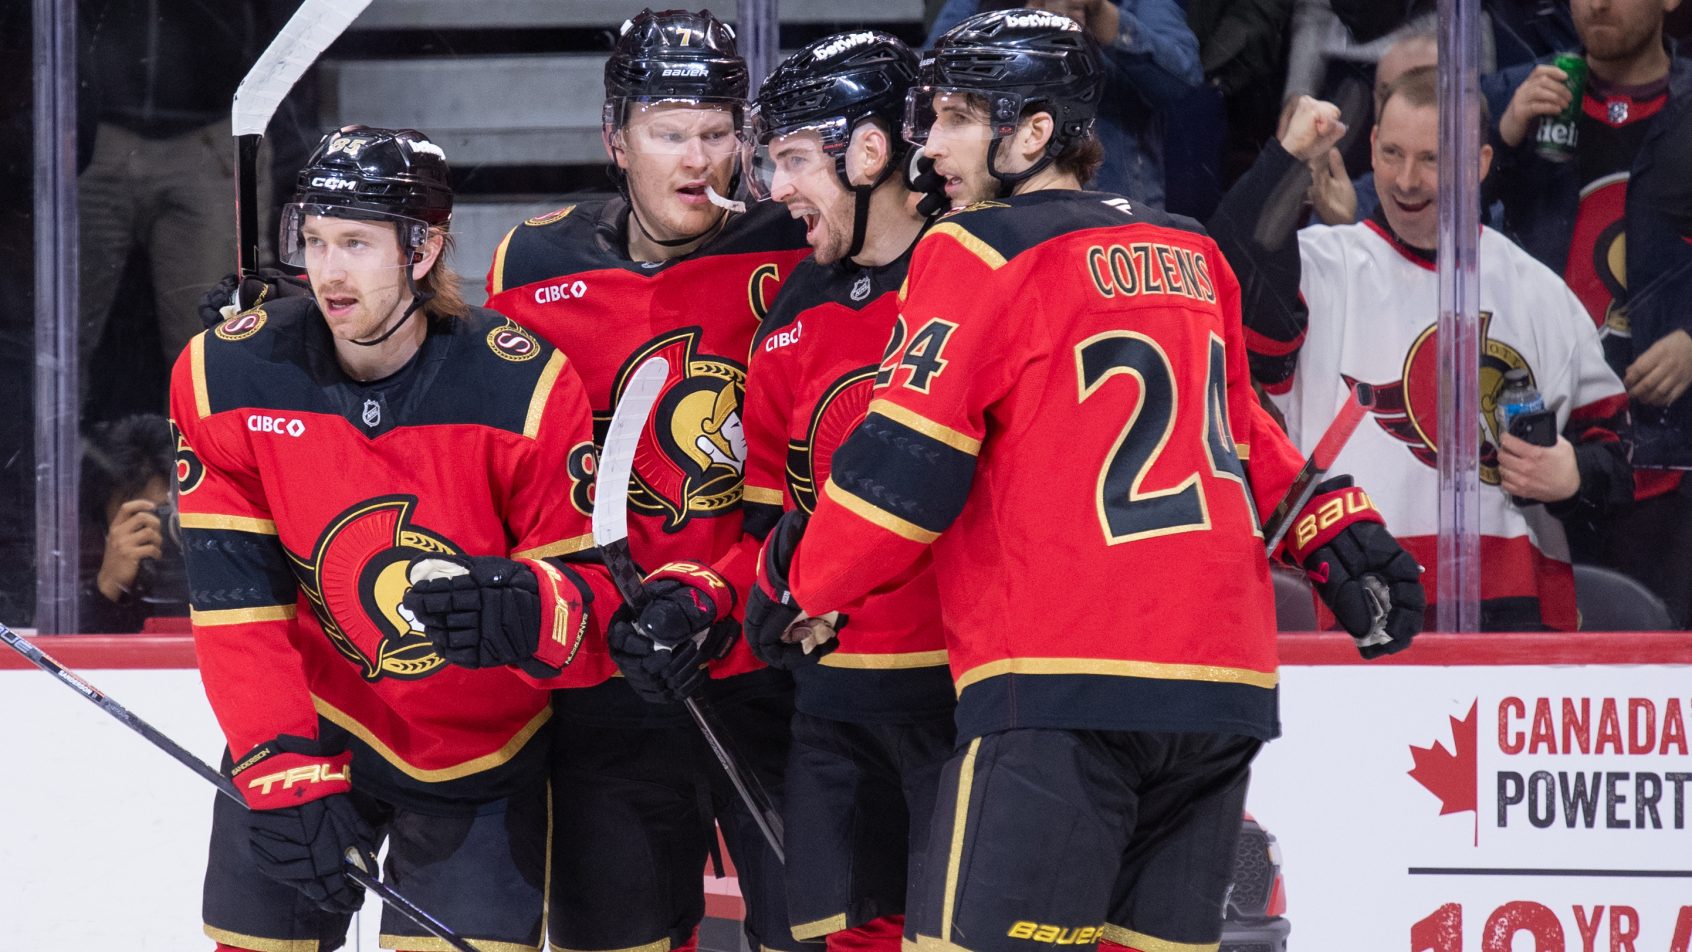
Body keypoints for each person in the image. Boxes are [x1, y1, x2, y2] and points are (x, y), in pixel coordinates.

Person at [742, 11, 1424, 951]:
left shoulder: (974, 249)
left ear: (1032, 133)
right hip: (1220, 690)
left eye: (955, 119)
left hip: (1063, 682)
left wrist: (798, 583)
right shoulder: (1188, 247)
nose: (929, 146)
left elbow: (908, 469)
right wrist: (1339, 528)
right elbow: (1243, 435)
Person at [169, 126, 613, 952]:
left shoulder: (521, 385)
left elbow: (590, 606)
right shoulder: (227, 377)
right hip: (311, 722)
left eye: (356, 244)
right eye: (314, 241)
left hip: (477, 748)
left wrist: (528, 610)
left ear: (424, 249)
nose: (327, 272)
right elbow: (237, 606)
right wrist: (277, 766)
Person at [478, 11, 814, 952]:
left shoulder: (797, 245)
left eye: (717, 132)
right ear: (615, 139)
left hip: (769, 663)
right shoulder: (532, 263)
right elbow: (476, 429)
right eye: (669, 133)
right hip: (608, 673)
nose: (697, 160)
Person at [1211, 74, 1633, 631]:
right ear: (1371, 146)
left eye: (1431, 159)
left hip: (1511, 613)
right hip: (1357, 610)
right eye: (1392, 153)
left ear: (1479, 163)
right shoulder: (1320, 268)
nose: (1406, 180)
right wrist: (1286, 157)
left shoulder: (1540, 293)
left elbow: (1619, 462)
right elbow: (1225, 273)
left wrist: (1574, 474)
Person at [738, 32, 952, 949]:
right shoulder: (794, 308)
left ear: (868, 152)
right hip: (834, 711)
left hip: (966, 700)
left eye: (794, 158)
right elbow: (770, 514)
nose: (776, 187)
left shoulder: (976, 276)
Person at [1483, 0, 1692, 625]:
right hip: (1538, 441)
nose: (1596, 3)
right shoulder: (1517, 93)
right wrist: (1501, 137)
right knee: (1536, 661)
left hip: (1668, 458)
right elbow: (1424, 234)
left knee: (1656, 656)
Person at [926, 0, 1202, 207]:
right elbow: (932, 71)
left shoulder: (1138, 4)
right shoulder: (980, 3)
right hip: (995, 201)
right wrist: (1019, 30)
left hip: (1119, 200)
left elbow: (1182, 81)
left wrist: (1105, 19)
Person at [79, 413, 185, 632]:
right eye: (140, 514)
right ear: (102, 517)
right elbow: (53, 649)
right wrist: (107, 587)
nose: (159, 527)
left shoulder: (215, 553)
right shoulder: (76, 571)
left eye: (170, 512)